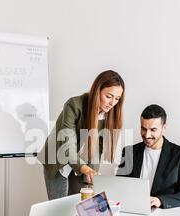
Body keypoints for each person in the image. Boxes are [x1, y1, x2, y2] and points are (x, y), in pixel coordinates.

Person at [38, 70, 125, 200]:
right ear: (97, 90)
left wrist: (92, 175)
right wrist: (86, 169)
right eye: (109, 96)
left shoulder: (109, 116)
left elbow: (97, 150)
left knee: (80, 206)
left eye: (117, 98)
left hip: (82, 162)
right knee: (59, 208)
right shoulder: (74, 105)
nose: (112, 103)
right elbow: (67, 146)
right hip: (57, 157)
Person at [117, 104, 180, 209]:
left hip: (164, 214)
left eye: (153, 130)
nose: (147, 135)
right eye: (143, 129)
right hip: (133, 210)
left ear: (164, 127)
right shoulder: (129, 152)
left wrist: (161, 200)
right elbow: (119, 185)